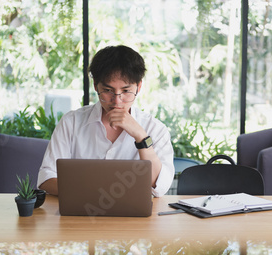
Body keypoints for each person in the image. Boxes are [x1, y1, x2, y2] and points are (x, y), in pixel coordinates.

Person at [37, 45, 175, 197]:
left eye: (126, 91)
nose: (117, 101)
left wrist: (141, 136)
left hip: (135, 218)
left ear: (139, 86)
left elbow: (159, 188)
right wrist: (93, 194)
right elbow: (46, 178)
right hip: (78, 215)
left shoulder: (155, 129)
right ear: (95, 85)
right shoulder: (72, 122)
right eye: (108, 90)